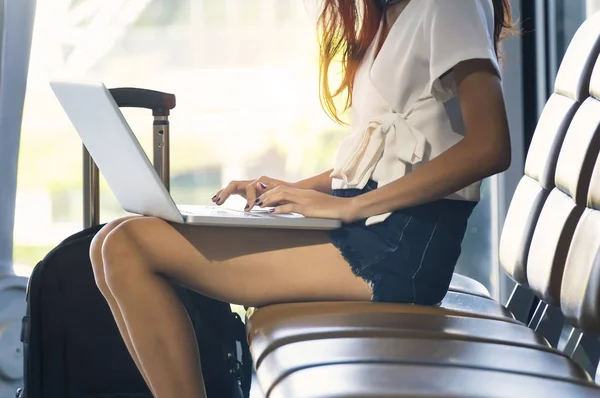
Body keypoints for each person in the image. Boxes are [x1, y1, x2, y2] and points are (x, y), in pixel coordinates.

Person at [90, 0, 513, 396]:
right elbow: (386, 160)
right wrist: (291, 190)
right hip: (367, 231)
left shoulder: (450, 4)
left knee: (130, 246)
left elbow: (490, 146)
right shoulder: (391, 14)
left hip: (399, 249)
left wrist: (350, 206)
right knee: (111, 241)